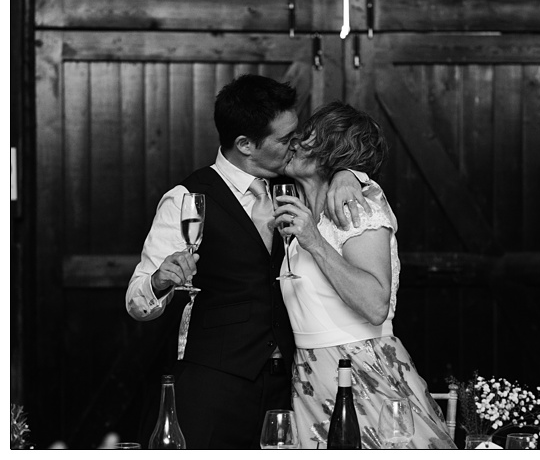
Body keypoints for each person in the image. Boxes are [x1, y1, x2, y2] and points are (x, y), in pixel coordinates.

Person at [125, 75, 372, 448]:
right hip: (213, 386)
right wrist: (160, 280)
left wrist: (346, 174)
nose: (297, 146)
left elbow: (336, 162)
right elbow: (135, 302)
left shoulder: (292, 184)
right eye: (285, 139)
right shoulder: (187, 199)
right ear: (245, 144)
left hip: (288, 388)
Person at [271, 102, 456, 449]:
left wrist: (314, 241)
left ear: (333, 150)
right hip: (311, 377)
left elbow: (375, 304)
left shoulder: (359, 207)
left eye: (309, 137)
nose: (295, 143)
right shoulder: (303, 206)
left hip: (360, 372)